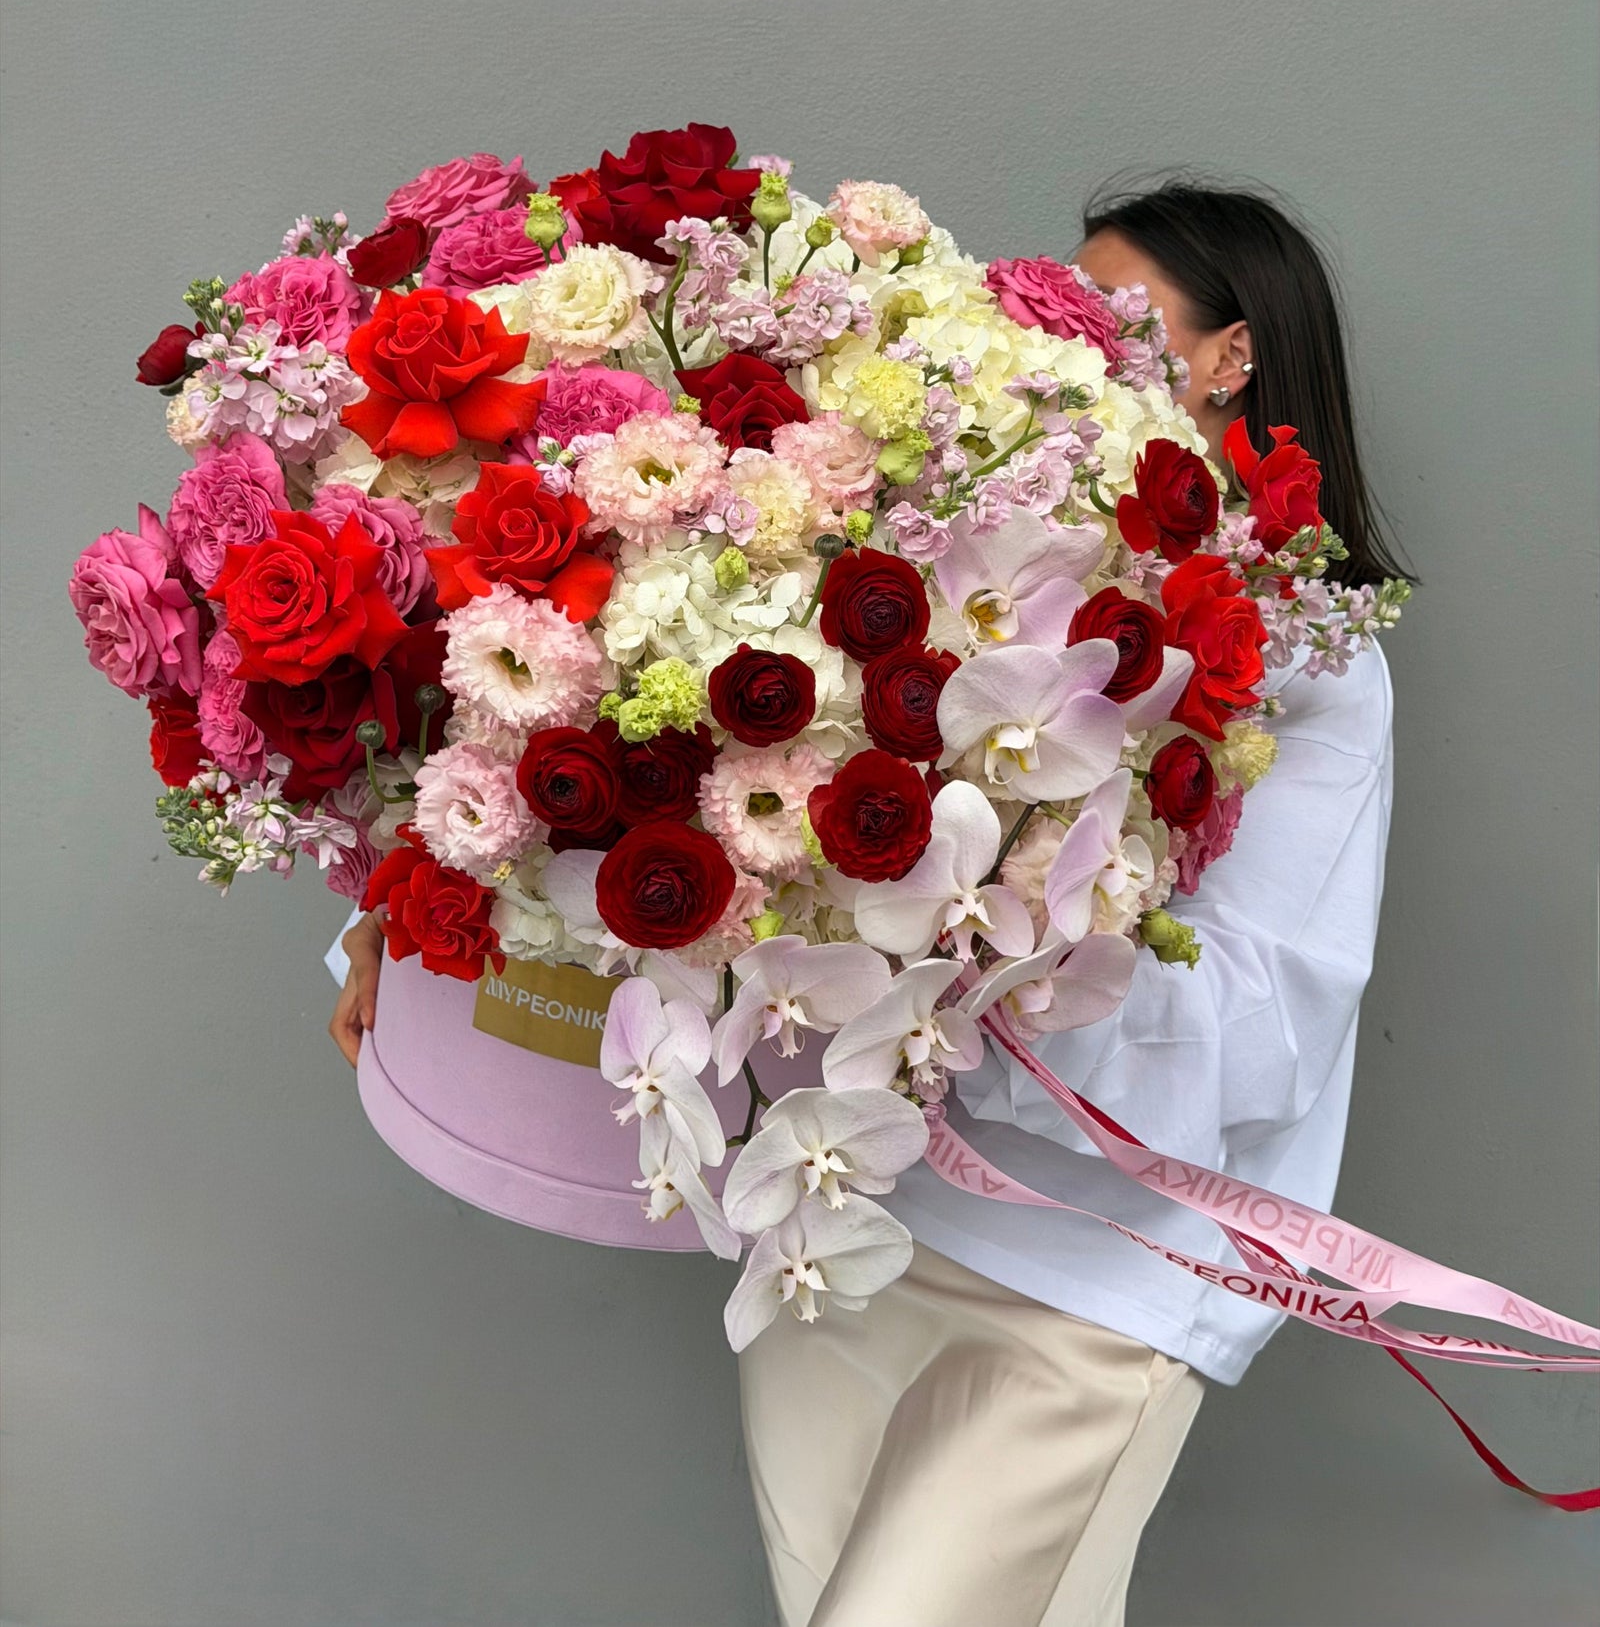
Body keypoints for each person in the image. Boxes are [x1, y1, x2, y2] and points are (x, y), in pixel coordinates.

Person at [329, 179, 1408, 1627]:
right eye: (1063, 305)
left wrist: (975, 968)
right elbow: (678, 772)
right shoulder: (986, 548)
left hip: (1094, 1286)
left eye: (1120, 310)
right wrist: (391, 930)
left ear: (1232, 355)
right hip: (842, 1233)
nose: (1075, 336)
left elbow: (1262, 1022)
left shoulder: (1306, 661)